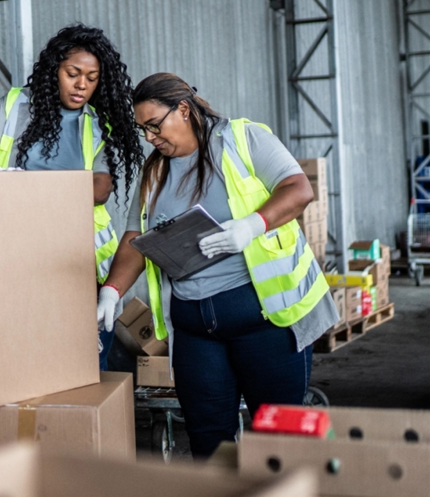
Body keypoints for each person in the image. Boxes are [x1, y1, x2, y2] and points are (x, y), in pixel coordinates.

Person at [97, 73, 339, 457]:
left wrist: (251, 225)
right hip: (196, 331)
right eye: (142, 129)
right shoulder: (155, 171)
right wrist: (113, 290)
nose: (149, 138)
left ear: (183, 110)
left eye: (154, 126)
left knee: (279, 440)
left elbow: (298, 189)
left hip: (267, 323)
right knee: (208, 441)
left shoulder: (245, 139)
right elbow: (135, 238)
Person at [0, 24, 145, 370]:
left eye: (92, 77)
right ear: (54, 69)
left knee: (82, 358)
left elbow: (101, 187)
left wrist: (29, 189)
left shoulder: (101, 123)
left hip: (77, 256)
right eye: (73, 73)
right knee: (18, 353)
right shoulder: (15, 105)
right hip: (10, 252)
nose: (82, 85)